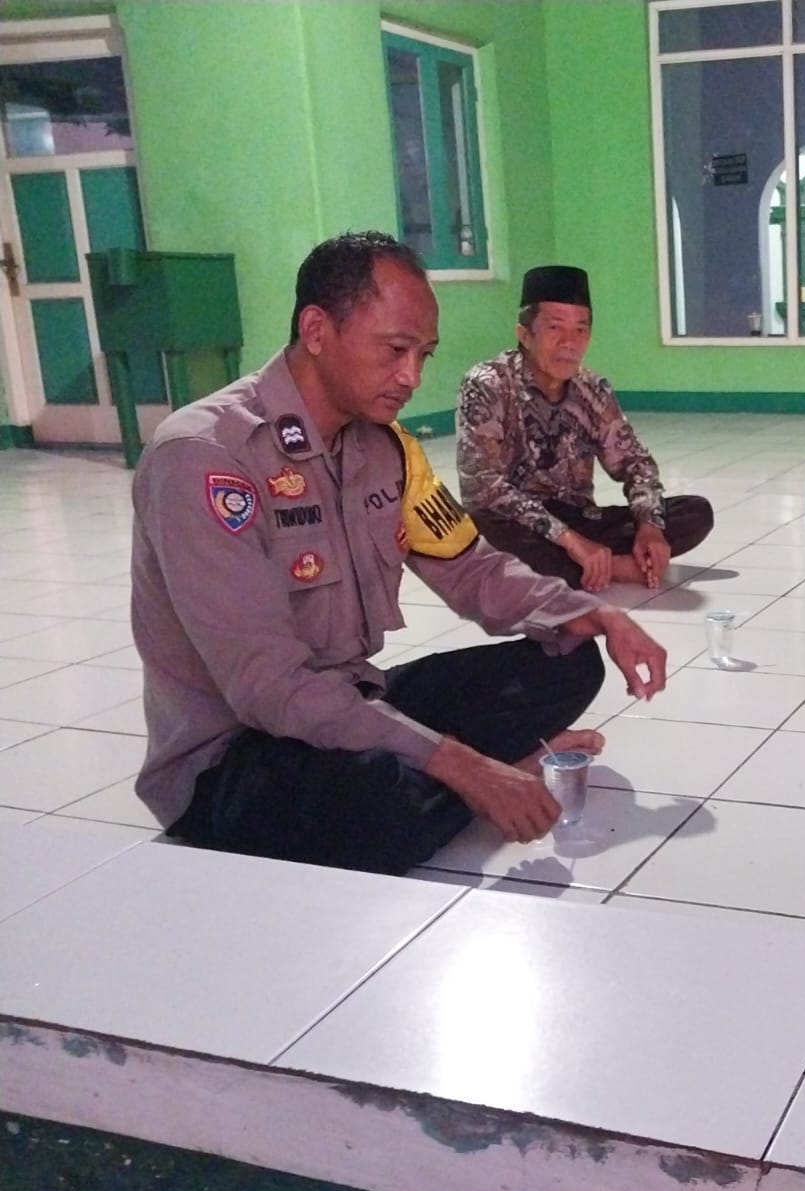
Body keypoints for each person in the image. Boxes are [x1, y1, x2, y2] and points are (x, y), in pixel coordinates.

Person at [131, 232, 668, 875]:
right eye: (394, 350)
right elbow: (268, 689)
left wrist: (596, 613)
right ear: (317, 329)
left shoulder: (384, 448)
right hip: (237, 755)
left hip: (354, 702)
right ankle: (471, 782)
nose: (412, 376)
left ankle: (447, 782)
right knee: (379, 812)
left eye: (423, 354)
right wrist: (462, 763)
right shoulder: (206, 457)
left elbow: (472, 569)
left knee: (571, 654)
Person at [456, 265, 714, 591]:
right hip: (517, 524)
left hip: (579, 520)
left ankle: (583, 565)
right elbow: (483, 489)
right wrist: (568, 540)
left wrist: (649, 525)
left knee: (694, 512)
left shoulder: (592, 389)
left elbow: (635, 463)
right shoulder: (487, 384)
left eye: (581, 330)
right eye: (555, 328)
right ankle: (611, 566)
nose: (569, 343)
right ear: (524, 334)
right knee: (480, 531)